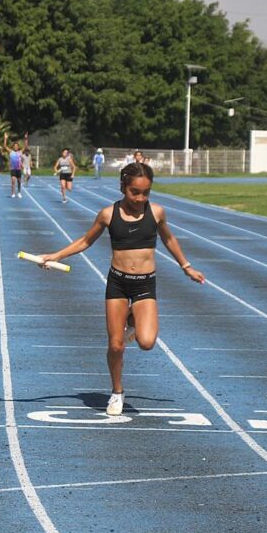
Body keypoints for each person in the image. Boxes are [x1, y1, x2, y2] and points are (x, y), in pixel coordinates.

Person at [37, 162, 205, 415]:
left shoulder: (157, 212)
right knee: (116, 345)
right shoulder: (108, 214)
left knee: (147, 342)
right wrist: (56, 255)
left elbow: (169, 239)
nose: (140, 198)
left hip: (145, 284)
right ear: (123, 187)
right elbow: (85, 240)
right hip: (118, 283)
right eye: (134, 192)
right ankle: (117, 392)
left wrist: (186, 266)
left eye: (146, 193)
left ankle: (132, 317)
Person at [3, 131, 28, 198]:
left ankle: (19, 192)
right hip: (13, 169)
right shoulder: (11, 152)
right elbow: (5, 146)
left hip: (18, 169)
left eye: (17, 146)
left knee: (19, 182)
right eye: (14, 146)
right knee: (13, 181)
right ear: (13, 147)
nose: (15, 147)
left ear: (18, 147)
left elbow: (25, 146)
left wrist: (26, 138)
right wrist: (5, 138)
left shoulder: (20, 152)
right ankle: (13, 193)